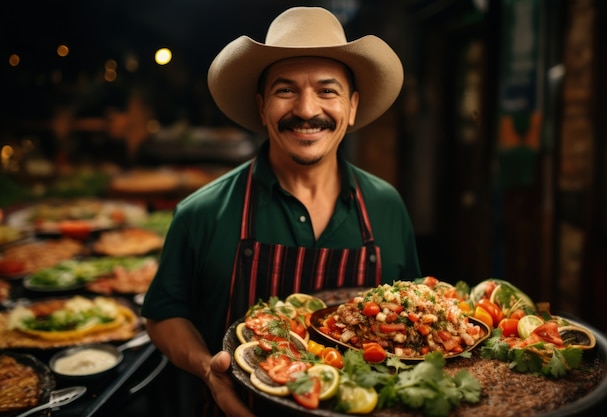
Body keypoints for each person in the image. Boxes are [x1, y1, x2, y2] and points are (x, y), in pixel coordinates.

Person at [141, 6, 421, 417]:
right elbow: (164, 314)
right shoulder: (202, 211)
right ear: (261, 106)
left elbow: (412, 317)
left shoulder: (387, 206)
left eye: (327, 90)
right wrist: (208, 370)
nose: (307, 110)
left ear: (354, 106)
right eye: (285, 90)